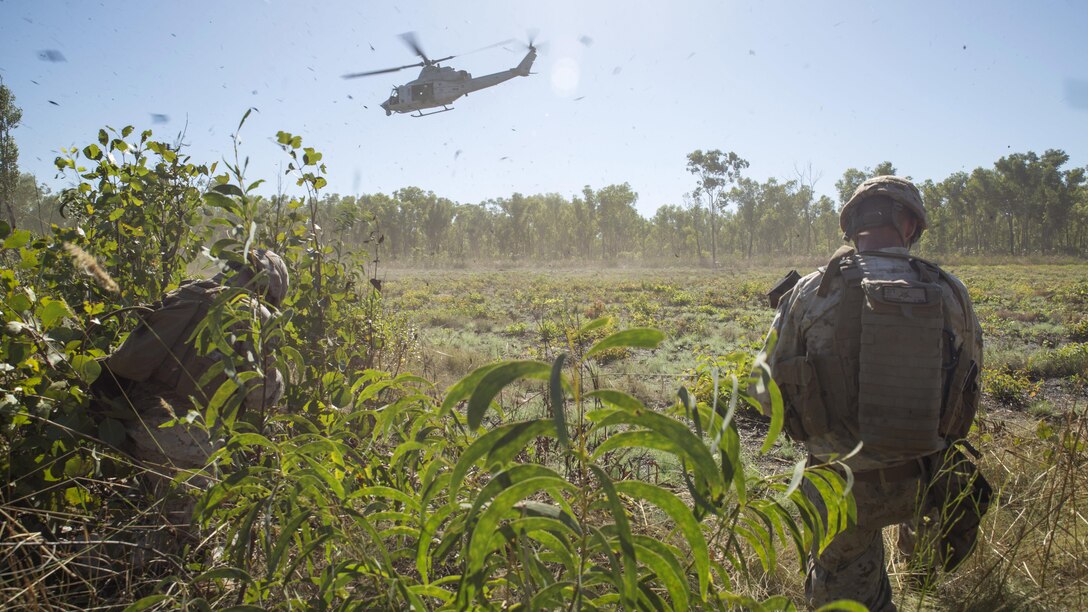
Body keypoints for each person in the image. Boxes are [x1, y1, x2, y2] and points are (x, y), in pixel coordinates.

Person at [760, 176, 986, 610]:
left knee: (845, 597)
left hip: (841, 487)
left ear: (851, 226)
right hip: (924, 479)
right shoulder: (950, 290)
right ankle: (918, 570)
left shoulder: (810, 290)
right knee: (923, 581)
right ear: (911, 225)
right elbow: (969, 385)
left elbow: (765, 389)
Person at [92, 248, 289, 531]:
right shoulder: (253, 315)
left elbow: (129, 355)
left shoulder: (190, 292)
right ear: (268, 290)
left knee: (136, 514)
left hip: (126, 421)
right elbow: (261, 397)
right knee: (186, 541)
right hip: (185, 442)